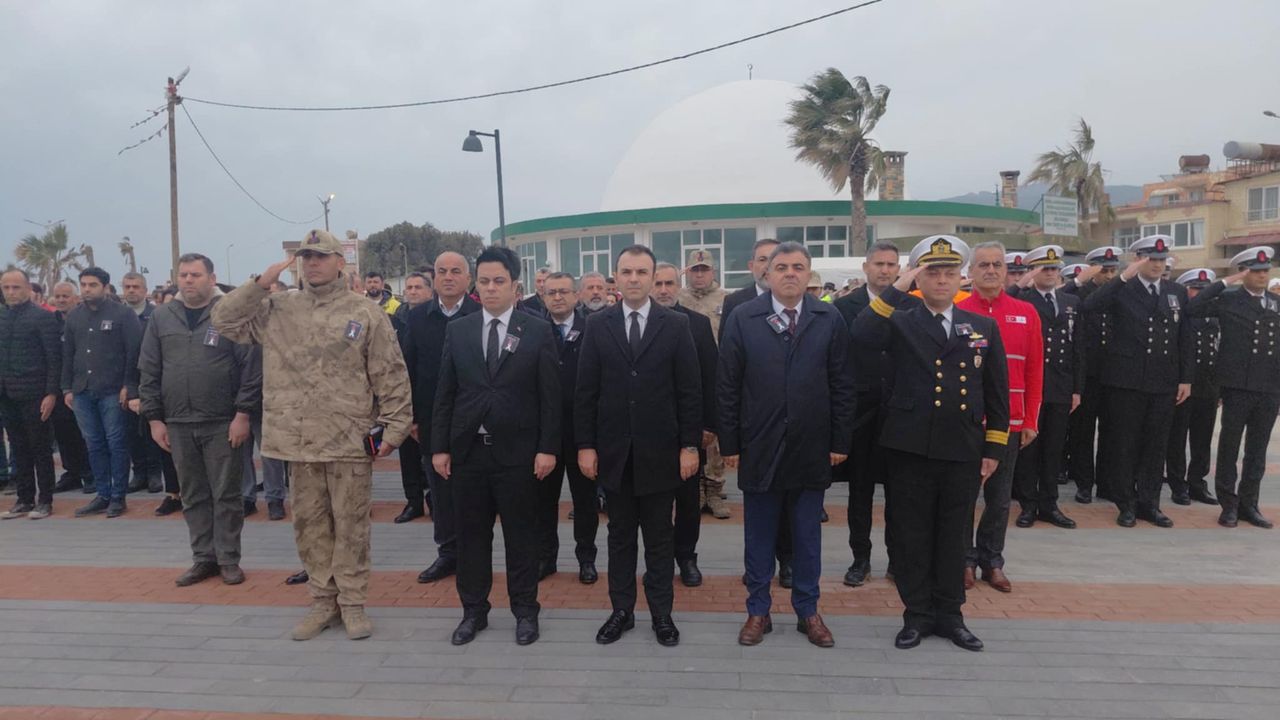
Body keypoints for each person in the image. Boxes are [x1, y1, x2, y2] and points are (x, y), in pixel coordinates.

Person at [212, 229, 412, 642]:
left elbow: (390, 372)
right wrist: (260, 283)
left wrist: (395, 428)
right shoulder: (278, 308)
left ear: (340, 262)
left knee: (351, 526)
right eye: (306, 257)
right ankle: (323, 600)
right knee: (310, 525)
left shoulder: (365, 311)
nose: (313, 263)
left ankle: (352, 603)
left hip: (348, 439)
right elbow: (224, 321)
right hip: (298, 440)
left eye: (321, 256)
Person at [852, 235, 1010, 653]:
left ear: (961, 278)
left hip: (962, 448)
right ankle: (917, 614)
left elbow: (997, 392)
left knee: (955, 536)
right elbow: (861, 335)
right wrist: (898, 286)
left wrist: (993, 449)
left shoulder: (982, 327)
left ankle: (951, 615)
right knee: (912, 535)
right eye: (932, 272)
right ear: (919, 278)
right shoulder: (901, 320)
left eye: (949, 273)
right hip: (910, 448)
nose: (941, 280)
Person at [718, 241, 854, 648]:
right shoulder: (744, 317)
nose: (790, 273)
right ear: (767, 274)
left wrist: (840, 439)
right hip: (759, 446)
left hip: (811, 446)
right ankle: (758, 611)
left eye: (798, 267)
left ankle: (808, 610)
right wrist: (730, 442)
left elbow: (843, 383)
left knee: (807, 537)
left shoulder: (828, 317)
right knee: (758, 536)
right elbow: (727, 385)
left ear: (809, 274)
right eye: (781, 267)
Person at [430, 246, 560, 646]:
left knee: (521, 538)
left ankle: (525, 611)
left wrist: (547, 447)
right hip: (469, 453)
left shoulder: (536, 330)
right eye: (484, 281)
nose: (490, 288)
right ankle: (474, 611)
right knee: (471, 538)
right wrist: (440, 447)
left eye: (498, 281)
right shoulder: (460, 330)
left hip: (519, 454)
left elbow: (551, 396)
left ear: (515, 286)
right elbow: (445, 392)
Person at [576, 245, 702, 647]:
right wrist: (586, 445)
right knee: (619, 536)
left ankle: (662, 613)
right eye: (627, 272)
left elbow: (689, 391)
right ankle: (622, 610)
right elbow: (586, 391)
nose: (634, 279)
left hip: (661, 453)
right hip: (614, 454)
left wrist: (689, 446)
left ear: (652, 277)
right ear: (616, 277)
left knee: (660, 538)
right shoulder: (598, 324)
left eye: (641, 272)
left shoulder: (676, 325)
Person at [138, 254, 261, 586]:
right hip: (178, 422)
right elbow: (149, 369)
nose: (188, 280)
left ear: (212, 278)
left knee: (227, 495)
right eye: (183, 275)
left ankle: (229, 559)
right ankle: (203, 558)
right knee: (192, 495)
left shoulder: (229, 314)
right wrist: (154, 419)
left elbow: (250, 368)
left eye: (195, 275)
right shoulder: (162, 317)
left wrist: (242, 414)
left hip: (223, 421)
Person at [1082, 235, 1193, 528]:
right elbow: (1090, 305)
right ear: (1138, 260)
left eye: (1161, 260)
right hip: (1126, 381)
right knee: (1125, 445)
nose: (1157, 265)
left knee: (1155, 446)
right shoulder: (1123, 288)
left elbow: (1185, 337)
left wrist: (1185, 378)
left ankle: (1149, 504)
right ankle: (1126, 503)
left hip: (1163, 380)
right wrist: (1122, 277)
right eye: (1151, 259)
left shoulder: (1176, 292)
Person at [957, 242, 1043, 593]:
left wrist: (1031, 419)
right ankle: (964, 560)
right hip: (966, 422)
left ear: (1006, 271)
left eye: (997, 264)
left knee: (1000, 497)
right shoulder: (958, 311)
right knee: (964, 495)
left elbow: (1035, 370)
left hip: (1009, 421)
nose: (991, 270)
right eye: (983, 265)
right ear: (971, 272)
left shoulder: (1026, 312)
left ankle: (992, 560)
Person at [833, 241, 916, 586]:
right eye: (879, 264)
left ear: (900, 269)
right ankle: (860, 558)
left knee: (900, 493)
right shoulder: (843, 307)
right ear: (866, 267)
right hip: (860, 413)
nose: (885, 270)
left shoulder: (913, 306)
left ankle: (898, 560)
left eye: (891, 264)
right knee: (860, 492)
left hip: (900, 414)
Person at [1187, 247, 1280, 528]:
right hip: (1236, 386)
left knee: (1257, 451)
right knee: (1229, 447)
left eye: (1265, 270)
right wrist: (1225, 282)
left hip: (1269, 387)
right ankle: (1229, 504)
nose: (1262, 275)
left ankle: (1249, 504)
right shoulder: (1229, 299)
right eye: (1256, 271)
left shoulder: (1276, 303)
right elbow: (1193, 307)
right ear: (1243, 273)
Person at [404, 252, 481, 575]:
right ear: (434, 278)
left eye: (456, 271)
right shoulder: (417, 318)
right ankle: (448, 552)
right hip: (431, 420)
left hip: (475, 420)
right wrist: (411, 417)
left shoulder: (481, 315)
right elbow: (407, 369)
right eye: (442, 271)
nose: (448, 277)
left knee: (474, 493)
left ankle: (474, 555)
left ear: (468, 278)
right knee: (440, 491)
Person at [652, 261, 718, 587]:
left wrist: (708, 426)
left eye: (669, 283)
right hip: (651, 435)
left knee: (688, 502)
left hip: (689, 431)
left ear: (678, 285)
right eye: (658, 284)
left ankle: (687, 557)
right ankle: (660, 559)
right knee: (655, 505)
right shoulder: (638, 324)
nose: (664, 290)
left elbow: (711, 379)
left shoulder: (698, 324)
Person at [64, 267, 142, 518]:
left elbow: (134, 353)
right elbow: (68, 354)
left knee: (116, 443)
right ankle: (102, 494)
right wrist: (67, 388)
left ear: (106, 287)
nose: (87, 289)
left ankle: (118, 496)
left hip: (112, 390)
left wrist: (129, 386)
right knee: (93, 443)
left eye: (93, 285)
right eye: (84, 285)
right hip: (82, 390)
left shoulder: (123, 314)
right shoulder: (74, 316)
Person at [1011, 246, 1080, 529]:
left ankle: (1050, 504)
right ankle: (1028, 504)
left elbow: (1078, 348)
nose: (1051, 273)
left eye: (1054, 268)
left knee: (1054, 448)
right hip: (1033, 386)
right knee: (1029, 448)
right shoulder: (1022, 300)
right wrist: (1023, 282)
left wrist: (1077, 388)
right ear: (1033, 271)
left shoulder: (1070, 301)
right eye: (1044, 268)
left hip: (1062, 385)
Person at [538, 271, 599, 584]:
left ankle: (586, 558)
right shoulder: (534, 330)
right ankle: (546, 558)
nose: (558, 297)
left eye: (564, 291)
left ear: (577, 295)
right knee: (542, 501)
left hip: (583, 432)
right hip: (544, 433)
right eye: (551, 292)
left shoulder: (593, 329)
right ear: (543, 297)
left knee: (585, 501)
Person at [0, 269, 62, 520]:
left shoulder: (43, 318)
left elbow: (54, 359)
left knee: (40, 449)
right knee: (18, 448)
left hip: (35, 394)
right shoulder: (2, 317)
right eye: (6, 287)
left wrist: (51, 393)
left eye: (16, 287)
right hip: (7, 394)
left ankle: (45, 500)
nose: (11, 292)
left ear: (28, 288)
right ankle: (24, 499)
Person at [1064, 246, 1121, 504]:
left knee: (1111, 431)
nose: (1108, 276)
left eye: (1112, 271)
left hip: (1112, 373)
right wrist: (1079, 280)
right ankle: (1084, 483)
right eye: (1103, 271)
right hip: (1086, 375)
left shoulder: (1120, 292)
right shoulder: (1079, 293)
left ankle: (1106, 483)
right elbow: (1061, 297)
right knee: (1083, 432)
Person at [676, 250, 730, 519]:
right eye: (694, 270)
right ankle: (696, 489)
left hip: (716, 373)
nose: (699, 275)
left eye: (704, 270)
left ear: (713, 272)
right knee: (692, 435)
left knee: (714, 438)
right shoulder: (678, 298)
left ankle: (715, 491)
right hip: (686, 374)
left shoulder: (726, 299)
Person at [1165, 268, 1220, 507]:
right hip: (1184, 386)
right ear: (1186, 290)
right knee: (1177, 438)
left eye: (1203, 289)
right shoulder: (1182, 316)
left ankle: (1197, 483)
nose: (1200, 294)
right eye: (1195, 289)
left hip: (1208, 386)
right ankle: (1178, 485)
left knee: (1202, 439)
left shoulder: (1215, 317)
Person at [387, 272, 433, 524]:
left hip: (428, 398)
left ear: (430, 291)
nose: (413, 291)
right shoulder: (396, 319)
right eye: (409, 287)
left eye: (418, 287)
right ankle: (413, 502)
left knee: (432, 454)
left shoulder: (435, 317)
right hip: (401, 398)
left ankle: (434, 500)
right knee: (408, 456)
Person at [48, 281, 93, 494]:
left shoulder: (85, 319)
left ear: (76, 298)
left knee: (84, 433)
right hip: (57, 385)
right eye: (58, 296)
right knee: (63, 432)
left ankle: (89, 473)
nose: (61, 300)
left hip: (81, 385)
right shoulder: (50, 322)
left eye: (65, 296)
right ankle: (72, 473)